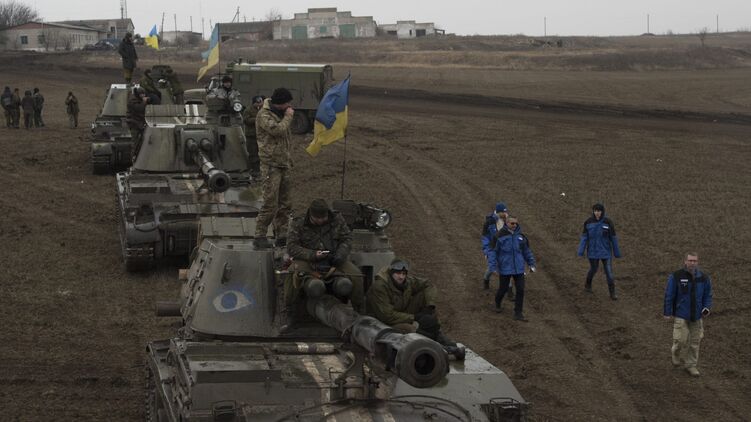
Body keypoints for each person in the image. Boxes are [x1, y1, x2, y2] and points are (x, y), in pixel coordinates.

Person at [366, 258, 466, 360]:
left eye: (404, 274)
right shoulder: (380, 286)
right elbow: (387, 316)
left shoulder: (407, 282)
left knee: (424, 297)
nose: (401, 277)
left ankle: (440, 337)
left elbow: (428, 284)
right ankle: (443, 349)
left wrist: (429, 306)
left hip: (400, 313)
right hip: (383, 322)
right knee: (410, 329)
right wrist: (414, 317)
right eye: (398, 273)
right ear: (391, 273)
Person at [286, 198, 365, 313]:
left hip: (334, 259)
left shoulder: (337, 219)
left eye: (323, 218)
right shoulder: (299, 223)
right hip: (308, 260)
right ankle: (290, 309)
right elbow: (291, 246)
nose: (321, 221)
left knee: (356, 275)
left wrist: (340, 254)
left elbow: (347, 238)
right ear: (311, 215)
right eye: (317, 218)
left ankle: (359, 310)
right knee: (292, 274)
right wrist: (312, 254)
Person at [253, 87, 294, 245]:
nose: (289, 106)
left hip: (284, 163)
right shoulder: (264, 115)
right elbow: (277, 131)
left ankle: (282, 234)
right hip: (271, 164)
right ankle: (260, 235)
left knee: (285, 203)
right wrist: (288, 117)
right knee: (270, 202)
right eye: (287, 103)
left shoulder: (281, 114)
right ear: (280, 103)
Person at [663, 252, 712, 377]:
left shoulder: (704, 278)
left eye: (694, 261)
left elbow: (708, 295)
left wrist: (706, 308)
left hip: (697, 316)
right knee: (680, 340)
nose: (692, 263)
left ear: (697, 262)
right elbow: (669, 294)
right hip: (681, 314)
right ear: (685, 261)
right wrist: (667, 312)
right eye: (690, 260)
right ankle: (675, 352)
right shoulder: (676, 276)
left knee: (695, 342)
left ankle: (691, 365)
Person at [488, 215, 536, 321]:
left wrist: (531, 264)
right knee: (503, 289)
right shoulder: (499, 236)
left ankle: (518, 313)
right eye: (512, 223)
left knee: (520, 290)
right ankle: (497, 303)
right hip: (505, 268)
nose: (514, 225)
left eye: (516, 223)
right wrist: (492, 266)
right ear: (507, 223)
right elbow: (492, 252)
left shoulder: (521, 237)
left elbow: (526, 251)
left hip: (519, 268)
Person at [577, 203, 622, 300]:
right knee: (594, 269)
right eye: (595, 211)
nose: (597, 213)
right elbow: (584, 238)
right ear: (593, 211)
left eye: (599, 211)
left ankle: (612, 293)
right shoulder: (588, 222)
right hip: (593, 252)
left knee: (609, 272)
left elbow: (613, 238)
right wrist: (581, 251)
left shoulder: (608, 222)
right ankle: (588, 284)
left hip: (606, 252)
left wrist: (617, 252)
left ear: (602, 212)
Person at [482, 202, 510, 291]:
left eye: (506, 212)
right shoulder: (489, 222)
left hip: (503, 248)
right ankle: (486, 279)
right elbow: (485, 238)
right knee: (492, 267)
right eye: (503, 212)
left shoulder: (507, 221)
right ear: (498, 212)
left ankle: (509, 289)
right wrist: (486, 251)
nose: (505, 214)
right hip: (492, 248)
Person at [242, 95, 265, 179]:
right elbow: (246, 120)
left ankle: (260, 170)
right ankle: (254, 171)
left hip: (260, 135)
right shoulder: (248, 110)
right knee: (253, 154)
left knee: (261, 153)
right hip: (251, 135)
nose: (259, 104)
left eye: (260, 102)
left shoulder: (262, 110)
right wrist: (257, 119)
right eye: (258, 102)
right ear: (254, 103)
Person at [126, 87, 149, 160]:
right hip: (134, 124)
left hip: (140, 123)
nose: (143, 96)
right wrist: (144, 102)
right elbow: (139, 109)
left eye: (144, 94)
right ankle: (132, 158)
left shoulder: (138, 100)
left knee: (141, 143)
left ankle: (139, 158)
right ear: (138, 94)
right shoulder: (132, 101)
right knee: (134, 143)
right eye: (142, 94)